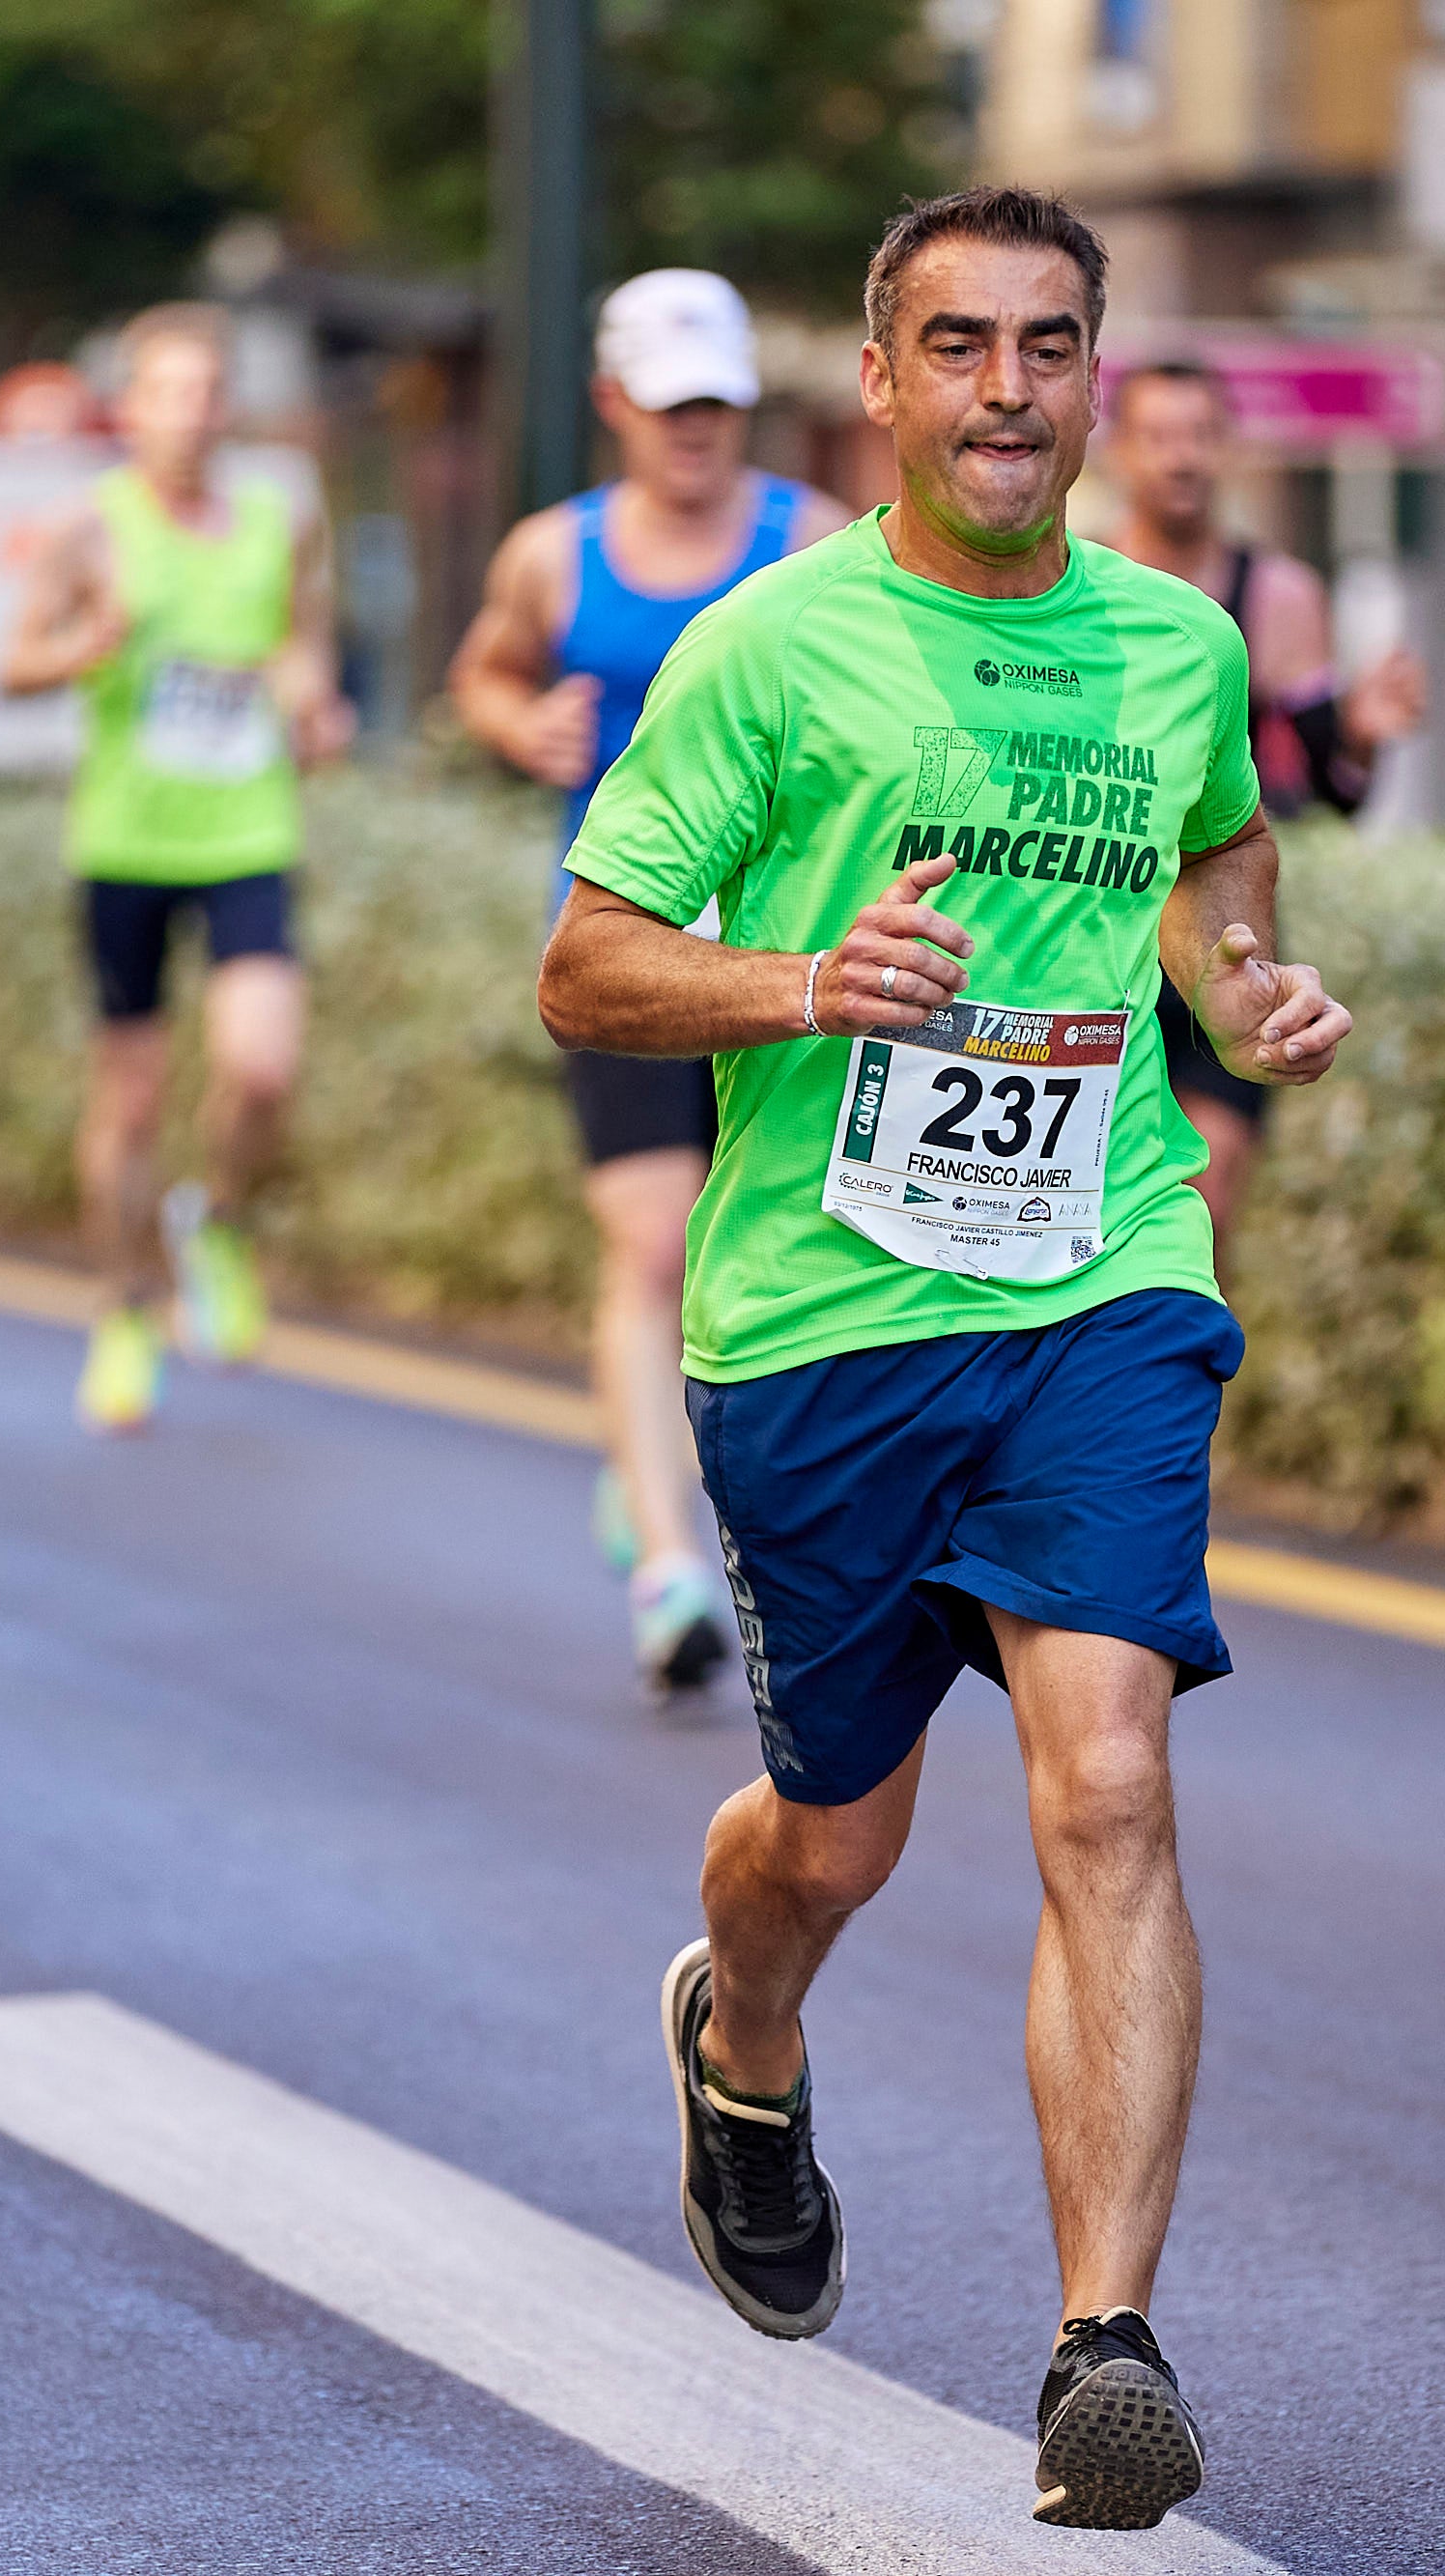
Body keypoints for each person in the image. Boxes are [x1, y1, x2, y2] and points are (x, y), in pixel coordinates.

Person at [542, 185, 1351, 2529]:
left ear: (1097, 377)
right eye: (961, 345)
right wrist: (806, 984)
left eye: (1052, 343)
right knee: (834, 1833)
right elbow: (587, 964)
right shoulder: (770, 650)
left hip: (1096, 1271)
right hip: (819, 1319)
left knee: (1105, 1785)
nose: (1010, 386)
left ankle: (1104, 2341)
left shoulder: (1175, 646)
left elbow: (1216, 874)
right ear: (878, 389)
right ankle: (745, 2034)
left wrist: (1245, 995)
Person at [447, 269, 849, 1700]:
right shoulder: (556, 558)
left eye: (721, 405)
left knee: (767, 1259)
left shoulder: (810, 540)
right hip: (625, 948)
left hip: (789, 962)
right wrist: (524, 723)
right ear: (615, 402)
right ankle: (670, 1566)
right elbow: (482, 674)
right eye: (673, 405)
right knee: (650, 1245)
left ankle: (667, 1466)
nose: (698, 432)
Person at [2, 305, 354, 1431]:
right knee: (132, 1094)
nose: (192, 412)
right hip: (126, 841)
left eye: (209, 391)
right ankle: (122, 1307)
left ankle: (223, 1222)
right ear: (130, 410)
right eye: (169, 391)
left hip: (247, 828)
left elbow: (300, 639)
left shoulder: (273, 521)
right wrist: (79, 648)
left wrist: (311, 700)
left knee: (259, 1068)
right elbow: (12, 661)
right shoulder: (87, 529)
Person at [1097, 359, 1425, 1255]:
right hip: (1095, 922)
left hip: (1214, 918)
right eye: (1159, 436)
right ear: (1119, 450)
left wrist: (1360, 735)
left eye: (1201, 435)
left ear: (1229, 450)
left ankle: (1187, 1385)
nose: (1182, 458)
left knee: (1209, 1195)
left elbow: (1332, 794)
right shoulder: (1071, 588)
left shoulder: (1279, 598)